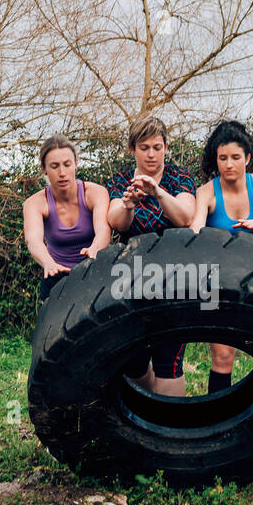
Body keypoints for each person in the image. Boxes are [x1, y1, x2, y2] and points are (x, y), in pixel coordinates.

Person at [106, 116, 197, 397]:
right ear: (132, 149)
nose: (151, 154)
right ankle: (147, 420)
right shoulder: (119, 181)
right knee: (132, 362)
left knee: (168, 361)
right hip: (131, 278)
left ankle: (173, 433)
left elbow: (184, 217)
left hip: (175, 278)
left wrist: (158, 192)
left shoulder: (179, 177)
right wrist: (129, 204)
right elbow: (116, 221)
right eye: (144, 147)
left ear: (166, 147)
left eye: (157, 147)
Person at [189, 119, 253, 393]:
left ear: (248, 158)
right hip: (217, 281)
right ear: (215, 160)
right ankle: (214, 421)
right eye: (222, 158)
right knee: (223, 356)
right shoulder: (206, 191)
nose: (229, 164)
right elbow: (196, 227)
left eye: (235, 157)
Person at [22, 135, 110, 301]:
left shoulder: (95, 193)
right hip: (56, 274)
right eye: (54, 166)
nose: (62, 173)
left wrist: (95, 249)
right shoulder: (34, 203)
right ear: (44, 169)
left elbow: (104, 229)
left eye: (67, 164)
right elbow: (33, 240)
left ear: (76, 164)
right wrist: (48, 263)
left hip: (94, 268)